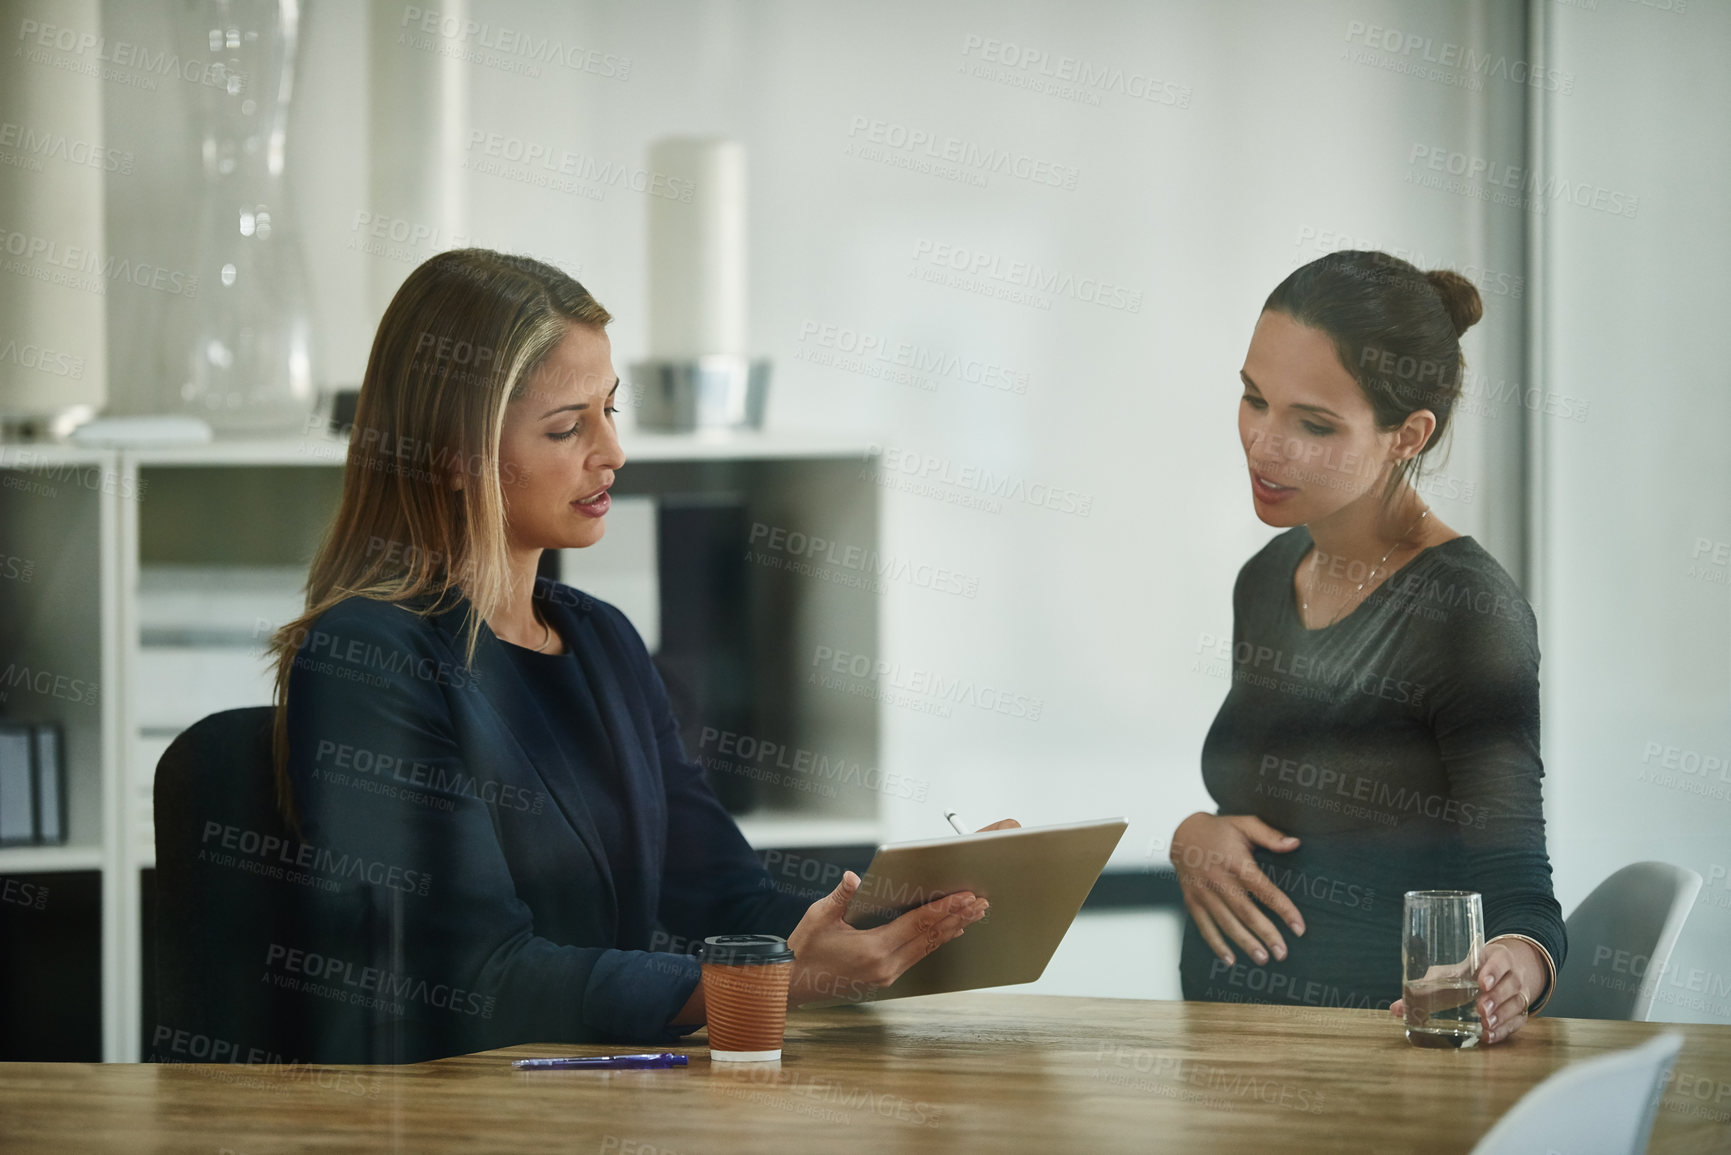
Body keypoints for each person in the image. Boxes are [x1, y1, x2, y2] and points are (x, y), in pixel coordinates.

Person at [267, 249, 1004, 1061]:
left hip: (595, 1097)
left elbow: (722, 896)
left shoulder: (602, 641)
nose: (612, 452)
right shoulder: (368, 658)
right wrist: (769, 983)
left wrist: (916, 900)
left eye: (610, 411)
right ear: (450, 452)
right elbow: (479, 977)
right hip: (454, 1118)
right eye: (567, 426)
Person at [1168, 250, 1565, 1045]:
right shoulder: (1268, 576)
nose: (1263, 445)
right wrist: (1195, 835)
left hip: (1378, 1071)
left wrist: (1508, 973)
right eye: (1253, 400)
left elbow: (1525, 905)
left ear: (1405, 435)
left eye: (1312, 423)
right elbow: (1279, 810)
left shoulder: (1465, 611)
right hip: (1233, 1060)